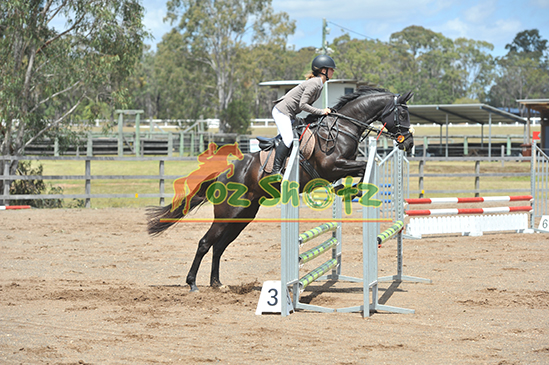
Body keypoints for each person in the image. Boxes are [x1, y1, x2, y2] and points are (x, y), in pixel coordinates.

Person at [270, 54, 336, 175]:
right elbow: (303, 105)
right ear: (323, 70)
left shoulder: (319, 85)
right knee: (289, 139)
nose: (333, 71)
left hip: (290, 114)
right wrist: (321, 111)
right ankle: (275, 171)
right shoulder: (314, 83)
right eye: (331, 69)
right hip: (282, 111)